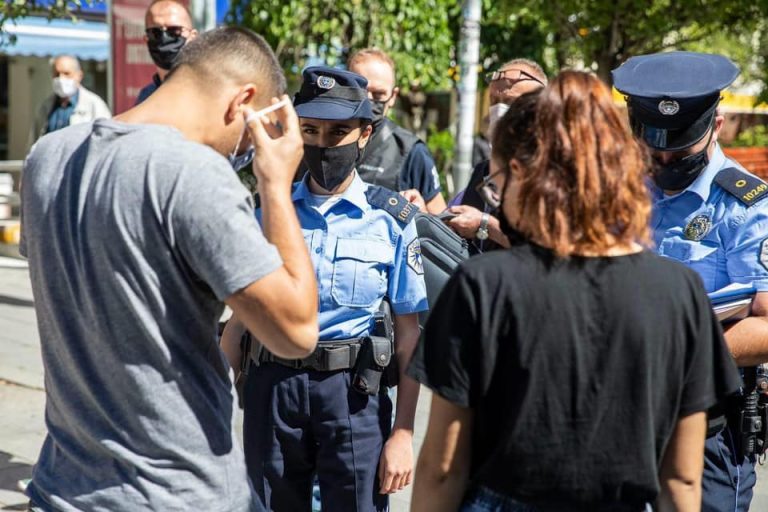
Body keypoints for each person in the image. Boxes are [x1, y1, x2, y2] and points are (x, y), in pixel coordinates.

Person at [408, 71, 741, 512]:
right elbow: (681, 479)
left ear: (522, 174)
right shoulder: (680, 292)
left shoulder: (483, 285)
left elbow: (441, 468)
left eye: (496, 186)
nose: (497, 200)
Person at [20, 27, 318, 511]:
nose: (249, 151)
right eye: (254, 135)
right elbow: (297, 332)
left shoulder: (47, 157)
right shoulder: (193, 173)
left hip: (64, 487)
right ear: (242, 101)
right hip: (176, 492)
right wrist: (276, 184)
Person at [221, 66, 428, 512]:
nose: (323, 144)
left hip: (353, 395)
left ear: (364, 134)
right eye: (310, 130)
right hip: (273, 387)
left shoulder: (390, 219)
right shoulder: (267, 212)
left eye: (337, 132)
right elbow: (239, 321)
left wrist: (403, 433)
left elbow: (409, 335)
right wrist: (213, 408)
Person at [613, 51, 768, 512]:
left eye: (680, 151)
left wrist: (678, 358)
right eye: (653, 149)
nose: (664, 160)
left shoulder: (746, 206)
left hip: (708, 422)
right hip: (619, 413)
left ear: (715, 125)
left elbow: (765, 323)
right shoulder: (623, 194)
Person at [446, 58, 546, 253]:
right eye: (494, 101)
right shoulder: (484, 171)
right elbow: (452, 215)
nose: (499, 111)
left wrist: (486, 225)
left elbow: (549, 251)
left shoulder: (554, 176)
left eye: (510, 102)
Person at [347, 48, 447, 214]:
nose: (368, 99)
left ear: (393, 96)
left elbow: (440, 220)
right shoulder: (322, 137)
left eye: (378, 94)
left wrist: (421, 214)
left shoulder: (412, 151)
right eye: (360, 91)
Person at [29, 54, 111, 145]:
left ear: (79, 75)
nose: (61, 78)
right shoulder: (45, 107)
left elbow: (106, 141)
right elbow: (34, 144)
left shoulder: (95, 105)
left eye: (67, 73)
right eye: (57, 74)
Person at [136, 0, 198, 105]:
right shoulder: (146, 97)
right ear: (146, 39)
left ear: (193, 37)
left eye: (174, 31)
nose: (165, 37)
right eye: (155, 32)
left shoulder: (210, 92)